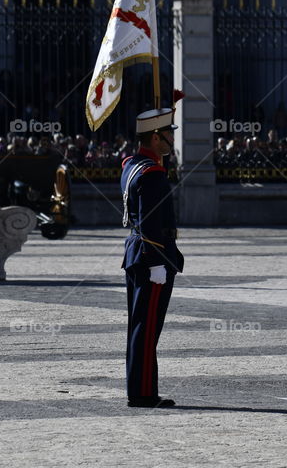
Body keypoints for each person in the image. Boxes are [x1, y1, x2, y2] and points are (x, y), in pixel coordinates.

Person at [120, 107, 184, 408]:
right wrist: (157, 260)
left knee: (139, 325)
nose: (172, 138)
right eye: (168, 134)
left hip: (136, 253)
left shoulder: (132, 165)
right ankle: (144, 393)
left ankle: (140, 388)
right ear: (156, 137)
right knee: (147, 328)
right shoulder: (152, 173)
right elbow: (150, 220)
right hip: (151, 257)